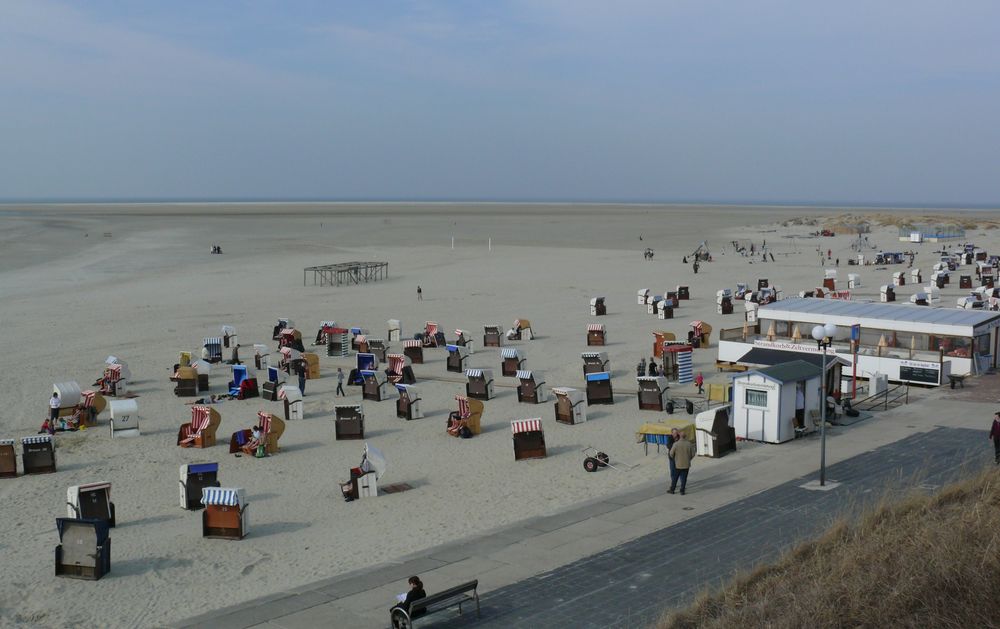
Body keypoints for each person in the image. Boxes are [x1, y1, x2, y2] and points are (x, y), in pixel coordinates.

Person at [668, 429, 696, 495]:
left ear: (680, 436)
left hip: (678, 464)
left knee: (675, 477)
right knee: (684, 478)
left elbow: (671, 454)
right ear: (685, 436)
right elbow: (693, 454)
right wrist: (689, 459)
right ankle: (682, 490)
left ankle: (672, 490)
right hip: (686, 464)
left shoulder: (676, 444)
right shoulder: (689, 444)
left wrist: (675, 459)